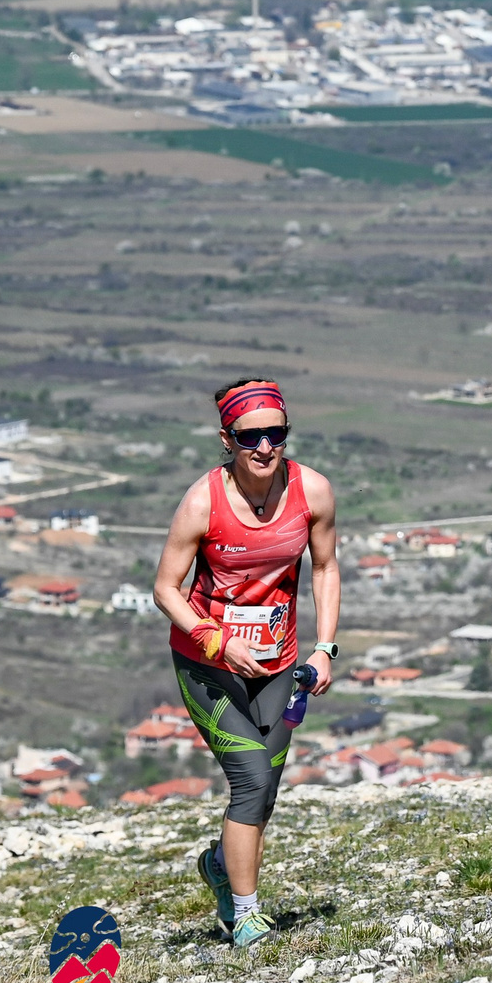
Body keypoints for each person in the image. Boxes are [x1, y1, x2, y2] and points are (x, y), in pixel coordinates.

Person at [153, 378, 340, 947]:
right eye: (249, 437)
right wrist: (216, 640)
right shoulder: (202, 501)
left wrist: (325, 647)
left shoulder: (313, 491)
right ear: (227, 440)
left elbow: (327, 568)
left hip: (279, 663)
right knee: (251, 779)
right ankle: (246, 913)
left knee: (263, 792)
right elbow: (165, 589)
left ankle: (219, 868)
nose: (264, 448)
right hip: (208, 664)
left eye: (275, 434)